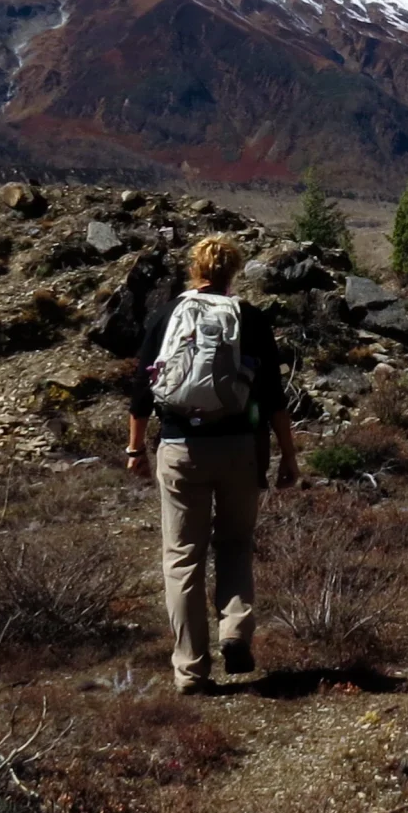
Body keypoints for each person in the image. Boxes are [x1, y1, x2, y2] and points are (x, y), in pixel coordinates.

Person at [128, 234, 297, 692]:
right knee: (235, 543)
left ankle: (190, 670)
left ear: (195, 269)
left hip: (180, 447)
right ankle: (235, 631)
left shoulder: (167, 314)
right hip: (239, 446)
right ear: (233, 272)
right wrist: (288, 454)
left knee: (183, 559)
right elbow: (273, 396)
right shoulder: (250, 318)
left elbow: (142, 388)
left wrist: (135, 448)